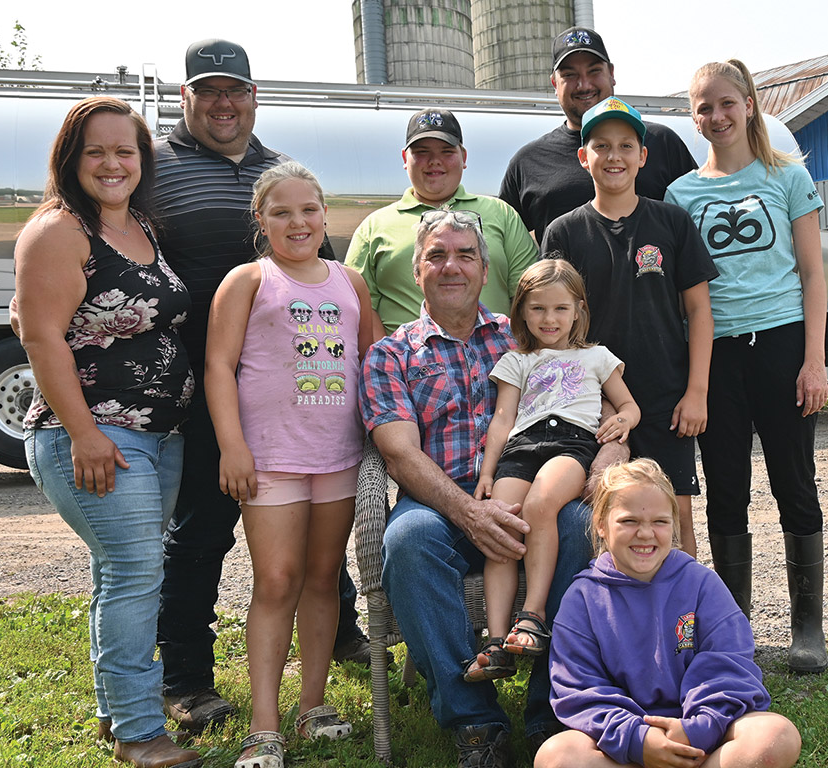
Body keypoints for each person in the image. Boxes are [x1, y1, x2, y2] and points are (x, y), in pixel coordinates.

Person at [153, 39, 370, 734]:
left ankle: (328, 665)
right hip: (204, 390)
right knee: (201, 538)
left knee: (318, 562)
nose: (223, 102)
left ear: (253, 96)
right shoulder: (153, 166)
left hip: (304, 403)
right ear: (185, 96)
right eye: (208, 90)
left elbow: (335, 305)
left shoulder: (280, 172)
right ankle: (186, 680)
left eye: (235, 90)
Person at [360, 212, 593, 767]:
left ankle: (551, 715)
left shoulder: (525, 337)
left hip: (530, 491)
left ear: (484, 268)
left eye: (465, 255)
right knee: (409, 541)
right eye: (437, 255)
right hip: (439, 500)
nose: (451, 267)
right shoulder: (390, 354)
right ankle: (475, 722)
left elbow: (584, 397)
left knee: (579, 526)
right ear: (417, 270)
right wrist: (469, 511)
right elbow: (398, 452)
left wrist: (610, 446)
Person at [16, 96, 202, 768]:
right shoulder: (59, 232)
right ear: (72, 159)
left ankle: (114, 710)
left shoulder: (141, 227)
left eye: (125, 150)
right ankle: (138, 733)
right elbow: (40, 338)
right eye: (96, 150)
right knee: (134, 572)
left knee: (119, 572)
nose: (112, 163)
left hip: (160, 434)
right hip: (96, 434)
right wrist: (86, 433)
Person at [206, 162, 385, 767]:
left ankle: (312, 706)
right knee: (276, 581)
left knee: (321, 578)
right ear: (261, 220)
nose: (297, 222)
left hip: (336, 456)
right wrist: (233, 446)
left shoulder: (349, 282)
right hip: (272, 459)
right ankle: (265, 725)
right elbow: (218, 367)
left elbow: (376, 362)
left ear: (324, 214)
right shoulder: (248, 280)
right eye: (281, 212)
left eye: (308, 209)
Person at [664, 60, 828, 673]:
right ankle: (736, 628)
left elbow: (814, 276)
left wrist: (814, 361)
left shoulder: (788, 177)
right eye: (704, 107)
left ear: (751, 105)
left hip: (783, 344)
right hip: (717, 350)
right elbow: (686, 294)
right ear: (694, 116)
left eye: (727, 103)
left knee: (794, 481)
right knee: (726, 490)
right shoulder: (682, 194)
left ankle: (807, 629)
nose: (716, 117)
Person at [536, 459, 801, 768]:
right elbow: (580, 689)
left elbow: (728, 663)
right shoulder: (581, 599)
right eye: (629, 521)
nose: (645, 534)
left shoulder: (701, 583)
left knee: (776, 735)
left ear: (674, 525)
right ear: (600, 525)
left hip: (702, 740)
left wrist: (696, 729)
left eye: (659, 522)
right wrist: (639, 739)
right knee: (556, 757)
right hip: (624, 747)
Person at [541, 97, 717, 557]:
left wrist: (696, 392)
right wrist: (598, 402)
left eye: (625, 146)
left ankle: (680, 626)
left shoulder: (672, 222)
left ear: (643, 156)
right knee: (602, 519)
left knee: (673, 517)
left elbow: (699, 310)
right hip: (593, 404)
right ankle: (613, 623)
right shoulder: (564, 232)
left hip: (665, 399)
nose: (613, 156)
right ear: (584, 157)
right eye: (601, 146)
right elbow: (555, 327)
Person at [466, 260, 639, 683]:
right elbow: (503, 419)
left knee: (540, 504)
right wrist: (488, 472)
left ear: (578, 309)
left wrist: (623, 422)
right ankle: (496, 640)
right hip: (521, 447)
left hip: (572, 445)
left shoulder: (597, 357)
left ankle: (534, 615)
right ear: (522, 311)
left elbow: (630, 405)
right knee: (502, 524)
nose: (550, 319)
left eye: (560, 309)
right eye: (538, 309)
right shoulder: (516, 360)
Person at [499, 26, 696, 246]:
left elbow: (700, 217)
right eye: (570, 75)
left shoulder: (662, 142)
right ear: (554, 83)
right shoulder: (527, 162)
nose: (584, 85)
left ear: (611, 74)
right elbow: (502, 246)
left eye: (594, 71)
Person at [346, 108, 537, 333]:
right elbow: (358, 304)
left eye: (447, 151)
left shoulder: (502, 214)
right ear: (405, 159)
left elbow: (529, 294)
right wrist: (386, 358)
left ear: (463, 157)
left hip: (497, 362)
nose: (434, 161)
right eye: (422, 152)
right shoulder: (373, 227)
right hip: (407, 365)